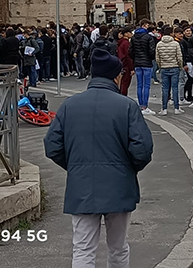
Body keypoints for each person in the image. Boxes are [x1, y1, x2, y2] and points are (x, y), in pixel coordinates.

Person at [44, 49, 153, 268]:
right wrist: (128, 168)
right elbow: (142, 148)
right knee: (118, 246)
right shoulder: (127, 106)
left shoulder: (69, 105)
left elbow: (52, 146)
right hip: (119, 184)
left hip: (81, 184)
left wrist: (75, 166)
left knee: (83, 248)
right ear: (115, 76)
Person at [155, 26, 184, 116]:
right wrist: (180, 66)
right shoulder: (175, 44)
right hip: (174, 66)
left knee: (165, 88)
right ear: (171, 33)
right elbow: (179, 57)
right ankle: (176, 107)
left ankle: (164, 109)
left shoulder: (159, 44)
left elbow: (157, 58)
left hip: (164, 67)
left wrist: (160, 66)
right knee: (175, 88)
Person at [129, 20, 156, 114]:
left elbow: (130, 51)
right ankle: (145, 106)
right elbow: (152, 51)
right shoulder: (149, 37)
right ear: (144, 25)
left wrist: (135, 58)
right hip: (147, 63)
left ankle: (141, 105)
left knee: (139, 85)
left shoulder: (133, 37)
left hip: (137, 63)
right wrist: (151, 58)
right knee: (147, 85)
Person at [116, 28, 134, 96]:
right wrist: (131, 68)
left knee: (122, 82)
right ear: (126, 34)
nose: (131, 34)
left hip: (121, 63)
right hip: (126, 65)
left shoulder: (120, 42)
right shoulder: (126, 43)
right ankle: (123, 96)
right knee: (125, 83)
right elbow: (128, 56)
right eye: (129, 32)